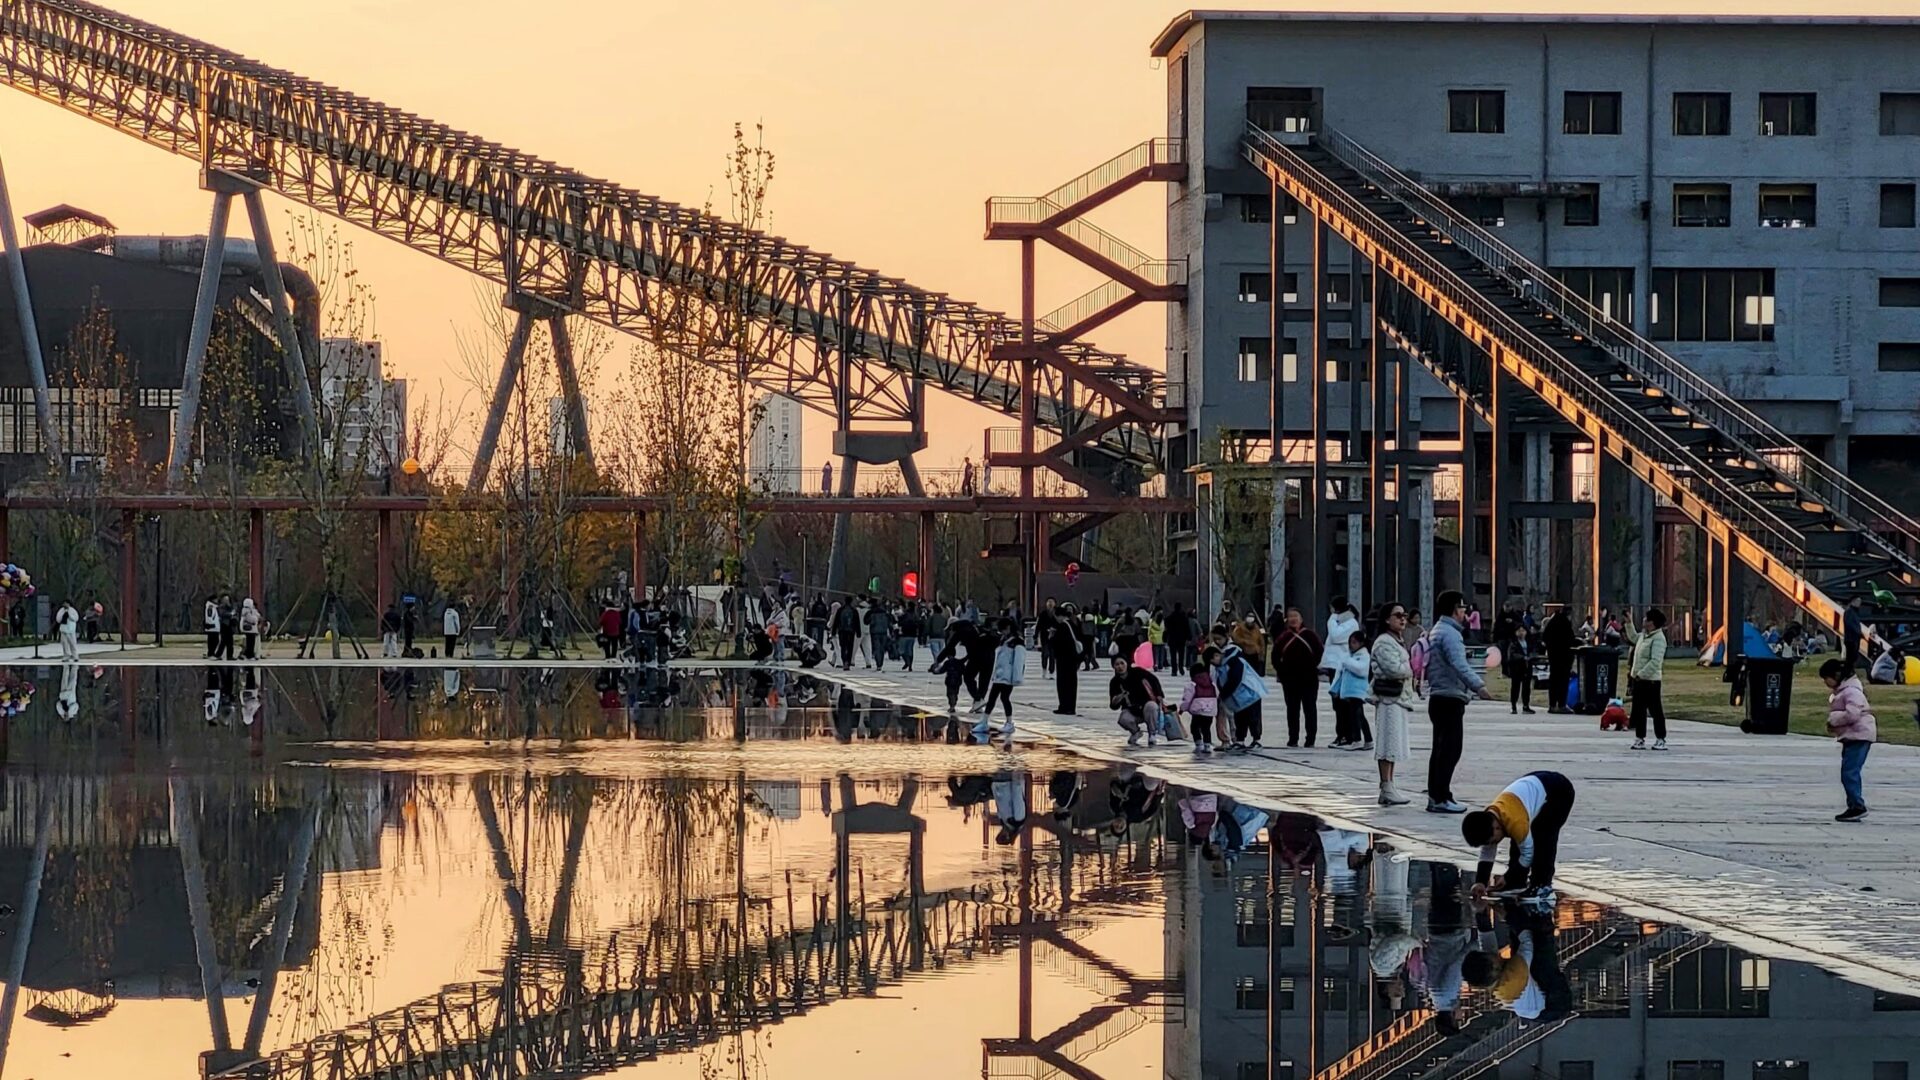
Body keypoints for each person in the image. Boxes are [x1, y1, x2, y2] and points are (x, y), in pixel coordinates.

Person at [1463, 770, 1577, 907]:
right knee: (1520, 838)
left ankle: (1542, 887)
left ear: (1496, 827)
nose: (1492, 844)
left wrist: (1509, 876)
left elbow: (1528, 855)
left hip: (1559, 791)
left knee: (1543, 836)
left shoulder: (1516, 821)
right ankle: (1516, 883)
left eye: (1492, 841)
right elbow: (1487, 852)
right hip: (1534, 784)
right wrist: (1480, 881)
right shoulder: (1491, 818)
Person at [1426, 590, 1489, 814]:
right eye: (1463, 608)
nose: (1465, 613)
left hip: (1440, 696)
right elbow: (1459, 664)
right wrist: (1478, 686)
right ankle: (1441, 796)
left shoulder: (1438, 630)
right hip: (1449, 697)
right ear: (1455, 609)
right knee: (1450, 750)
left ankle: (1437, 795)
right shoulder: (1450, 634)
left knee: (1441, 749)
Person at [1821, 657, 1877, 822]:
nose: (1825, 682)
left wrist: (1834, 719)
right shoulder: (1844, 691)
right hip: (1852, 735)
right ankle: (1853, 804)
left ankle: (1857, 805)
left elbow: (1853, 713)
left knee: (1849, 772)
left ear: (1836, 675)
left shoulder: (1851, 691)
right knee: (1849, 772)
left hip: (1859, 735)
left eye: (1826, 678)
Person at [1371, 603, 1415, 805]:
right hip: (1389, 698)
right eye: (1398, 615)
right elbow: (1396, 670)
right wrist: (1409, 666)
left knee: (1394, 743)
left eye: (1404, 615)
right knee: (1387, 743)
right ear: (1387, 619)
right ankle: (1385, 784)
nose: (1402, 619)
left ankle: (1390, 785)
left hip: (1399, 698)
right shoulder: (1383, 643)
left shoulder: (1396, 641)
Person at [1272, 607, 1323, 747]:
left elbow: (1319, 652)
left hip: (1309, 679)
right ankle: (1293, 738)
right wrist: (1282, 672)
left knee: (1310, 708)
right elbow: (1275, 657)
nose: (1293, 619)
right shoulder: (1283, 637)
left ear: (1301, 619)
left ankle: (1310, 738)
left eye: (1296, 616)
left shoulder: (1311, 636)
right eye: (1290, 616)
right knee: (1292, 710)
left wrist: (1311, 667)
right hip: (1290, 681)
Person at [1208, 640, 1269, 749]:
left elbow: (1235, 679)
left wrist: (1224, 693)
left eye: (1213, 660)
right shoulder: (1221, 666)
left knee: (1253, 717)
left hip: (1250, 693)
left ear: (1217, 655)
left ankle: (1256, 739)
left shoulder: (1235, 661)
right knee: (1240, 718)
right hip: (1239, 697)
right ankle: (1240, 740)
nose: (1213, 664)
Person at [1627, 608, 1669, 750]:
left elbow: (1655, 661)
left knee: (1655, 710)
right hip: (1639, 680)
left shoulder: (1659, 639)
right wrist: (1628, 623)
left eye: (1646, 618)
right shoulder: (1644, 636)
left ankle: (1661, 738)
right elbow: (1633, 638)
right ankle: (1640, 738)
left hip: (1651, 681)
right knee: (1639, 710)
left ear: (1652, 622)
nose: (1644, 620)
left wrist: (1641, 674)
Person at [1320, 599, 1361, 744]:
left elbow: (1335, 636)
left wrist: (1332, 618)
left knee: (1344, 702)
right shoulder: (1341, 622)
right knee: (1337, 702)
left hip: (1343, 666)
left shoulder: (1350, 623)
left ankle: (1348, 735)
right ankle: (1341, 734)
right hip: (1335, 665)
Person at [973, 628, 1024, 740]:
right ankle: (985, 721)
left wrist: (1016, 677)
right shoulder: (1003, 640)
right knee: (993, 698)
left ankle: (1009, 723)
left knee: (1004, 698)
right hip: (1000, 675)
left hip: (1008, 676)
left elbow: (1019, 660)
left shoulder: (1017, 642)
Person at [1108, 654, 1168, 747]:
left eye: (1122, 663)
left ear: (1127, 664)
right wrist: (1119, 698)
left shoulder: (1138, 672)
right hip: (1131, 710)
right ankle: (1136, 732)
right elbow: (1114, 706)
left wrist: (1159, 694)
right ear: (1113, 667)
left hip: (1146, 706)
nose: (1120, 666)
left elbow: (1153, 680)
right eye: (1117, 664)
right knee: (1123, 719)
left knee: (1152, 706)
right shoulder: (1114, 682)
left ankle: (1152, 734)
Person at [1331, 629, 1374, 751]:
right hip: (1350, 691)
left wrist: (1347, 662)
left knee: (1357, 716)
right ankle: (1367, 739)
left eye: (1354, 642)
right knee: (1357, 715)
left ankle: (1358, 739)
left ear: (1361, 643)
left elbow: (1361, 670)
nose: (1351, 645)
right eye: (1350, 642)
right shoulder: (1351, 655)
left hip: (1357, 691)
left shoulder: (1363, 655)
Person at [1049, 607, 1084, 714]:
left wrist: (1051, 636)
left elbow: (1057, 643)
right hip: (1073, 659)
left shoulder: (1062, 626)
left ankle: (1064, 706)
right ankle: (1071, 707)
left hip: (1064, 659)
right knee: (1072, 684)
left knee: (1063, 684)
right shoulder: (1072, 624)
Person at [1181, 660, 1219, 755]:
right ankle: (1207, 745)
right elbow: (1217, 695)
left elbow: (1187, 699)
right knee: (1206, 728)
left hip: (1198, 711)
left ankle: (1198, 744)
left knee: (1194, 727)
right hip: (1210, 711)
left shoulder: (1192, 685)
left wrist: (1182, 708)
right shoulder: (1212, 684)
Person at [1541, 606, 1575, 714]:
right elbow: (1570, 639)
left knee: (1554, 680)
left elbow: (1545, 637)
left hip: (1554, 657)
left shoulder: (1552, 623)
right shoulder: (1565, 623)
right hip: (1564, 657)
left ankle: (1552, 705)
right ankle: (1561, 704)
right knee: (1563, 681)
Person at [1505, 624, 1536, 714]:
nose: (1521, 633)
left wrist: (1531, 657)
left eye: (1523, 631)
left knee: (1526, 687)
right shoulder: (1513, 643)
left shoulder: (1529, 642)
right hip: (1517, 667)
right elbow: (1512, 654)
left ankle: (1526, 706)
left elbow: (1533, 652)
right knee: (1515, 687)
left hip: (1527, 667)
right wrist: (1522, 657)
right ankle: (1513, 706)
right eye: (1519, 631)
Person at [866, 600, 895, 672]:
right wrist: (891, 632)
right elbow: (891, 623)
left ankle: (878, 664)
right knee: (882, 649)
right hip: (884, 632)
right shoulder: (885, 614)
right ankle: (880, 663)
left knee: (877, 648)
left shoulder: (872, 613)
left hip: (874, 633)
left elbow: (866, 621)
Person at [832, 599, 860, 670]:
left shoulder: (840, 610)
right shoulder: (854, 611)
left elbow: (836, 621)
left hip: (842, 631)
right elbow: (857, 622)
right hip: (851, 631)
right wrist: (858, 632)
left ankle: (844, 661)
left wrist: (834, 631)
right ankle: (848, 661)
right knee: (850, 647)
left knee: (843, 647)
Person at [1164, 602, 1193, 671]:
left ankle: (1174, 669)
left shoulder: (1170, 617)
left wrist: (1165, 637)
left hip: (1172, 638)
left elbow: (1167, 628)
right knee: (1181, 654)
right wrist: (1189, 637)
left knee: (1173, 655)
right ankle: (1180, 667)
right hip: (1181, 639)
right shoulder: (1183, 618)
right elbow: (1187, 628)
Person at [1843, 594, 1865, 671]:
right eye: (1858, 601)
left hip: (1855, 638)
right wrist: (1858, 632)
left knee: (1853, 657)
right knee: (1851, 657)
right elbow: (1850, 624)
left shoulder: (1854, 612)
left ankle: (1849, 671)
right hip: (1851, 638)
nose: (1859, 603)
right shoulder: (1849, 612)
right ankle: (1847, 671)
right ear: (1852, 602)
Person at [204, 594, 221, 658]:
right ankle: (211, 653)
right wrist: (211, 624)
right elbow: (209, 616)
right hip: (212, 627)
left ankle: (212, 653)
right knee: (213, 641)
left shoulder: (214, 607)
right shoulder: (210, 607)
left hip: (215, 627)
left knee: (215, 641)